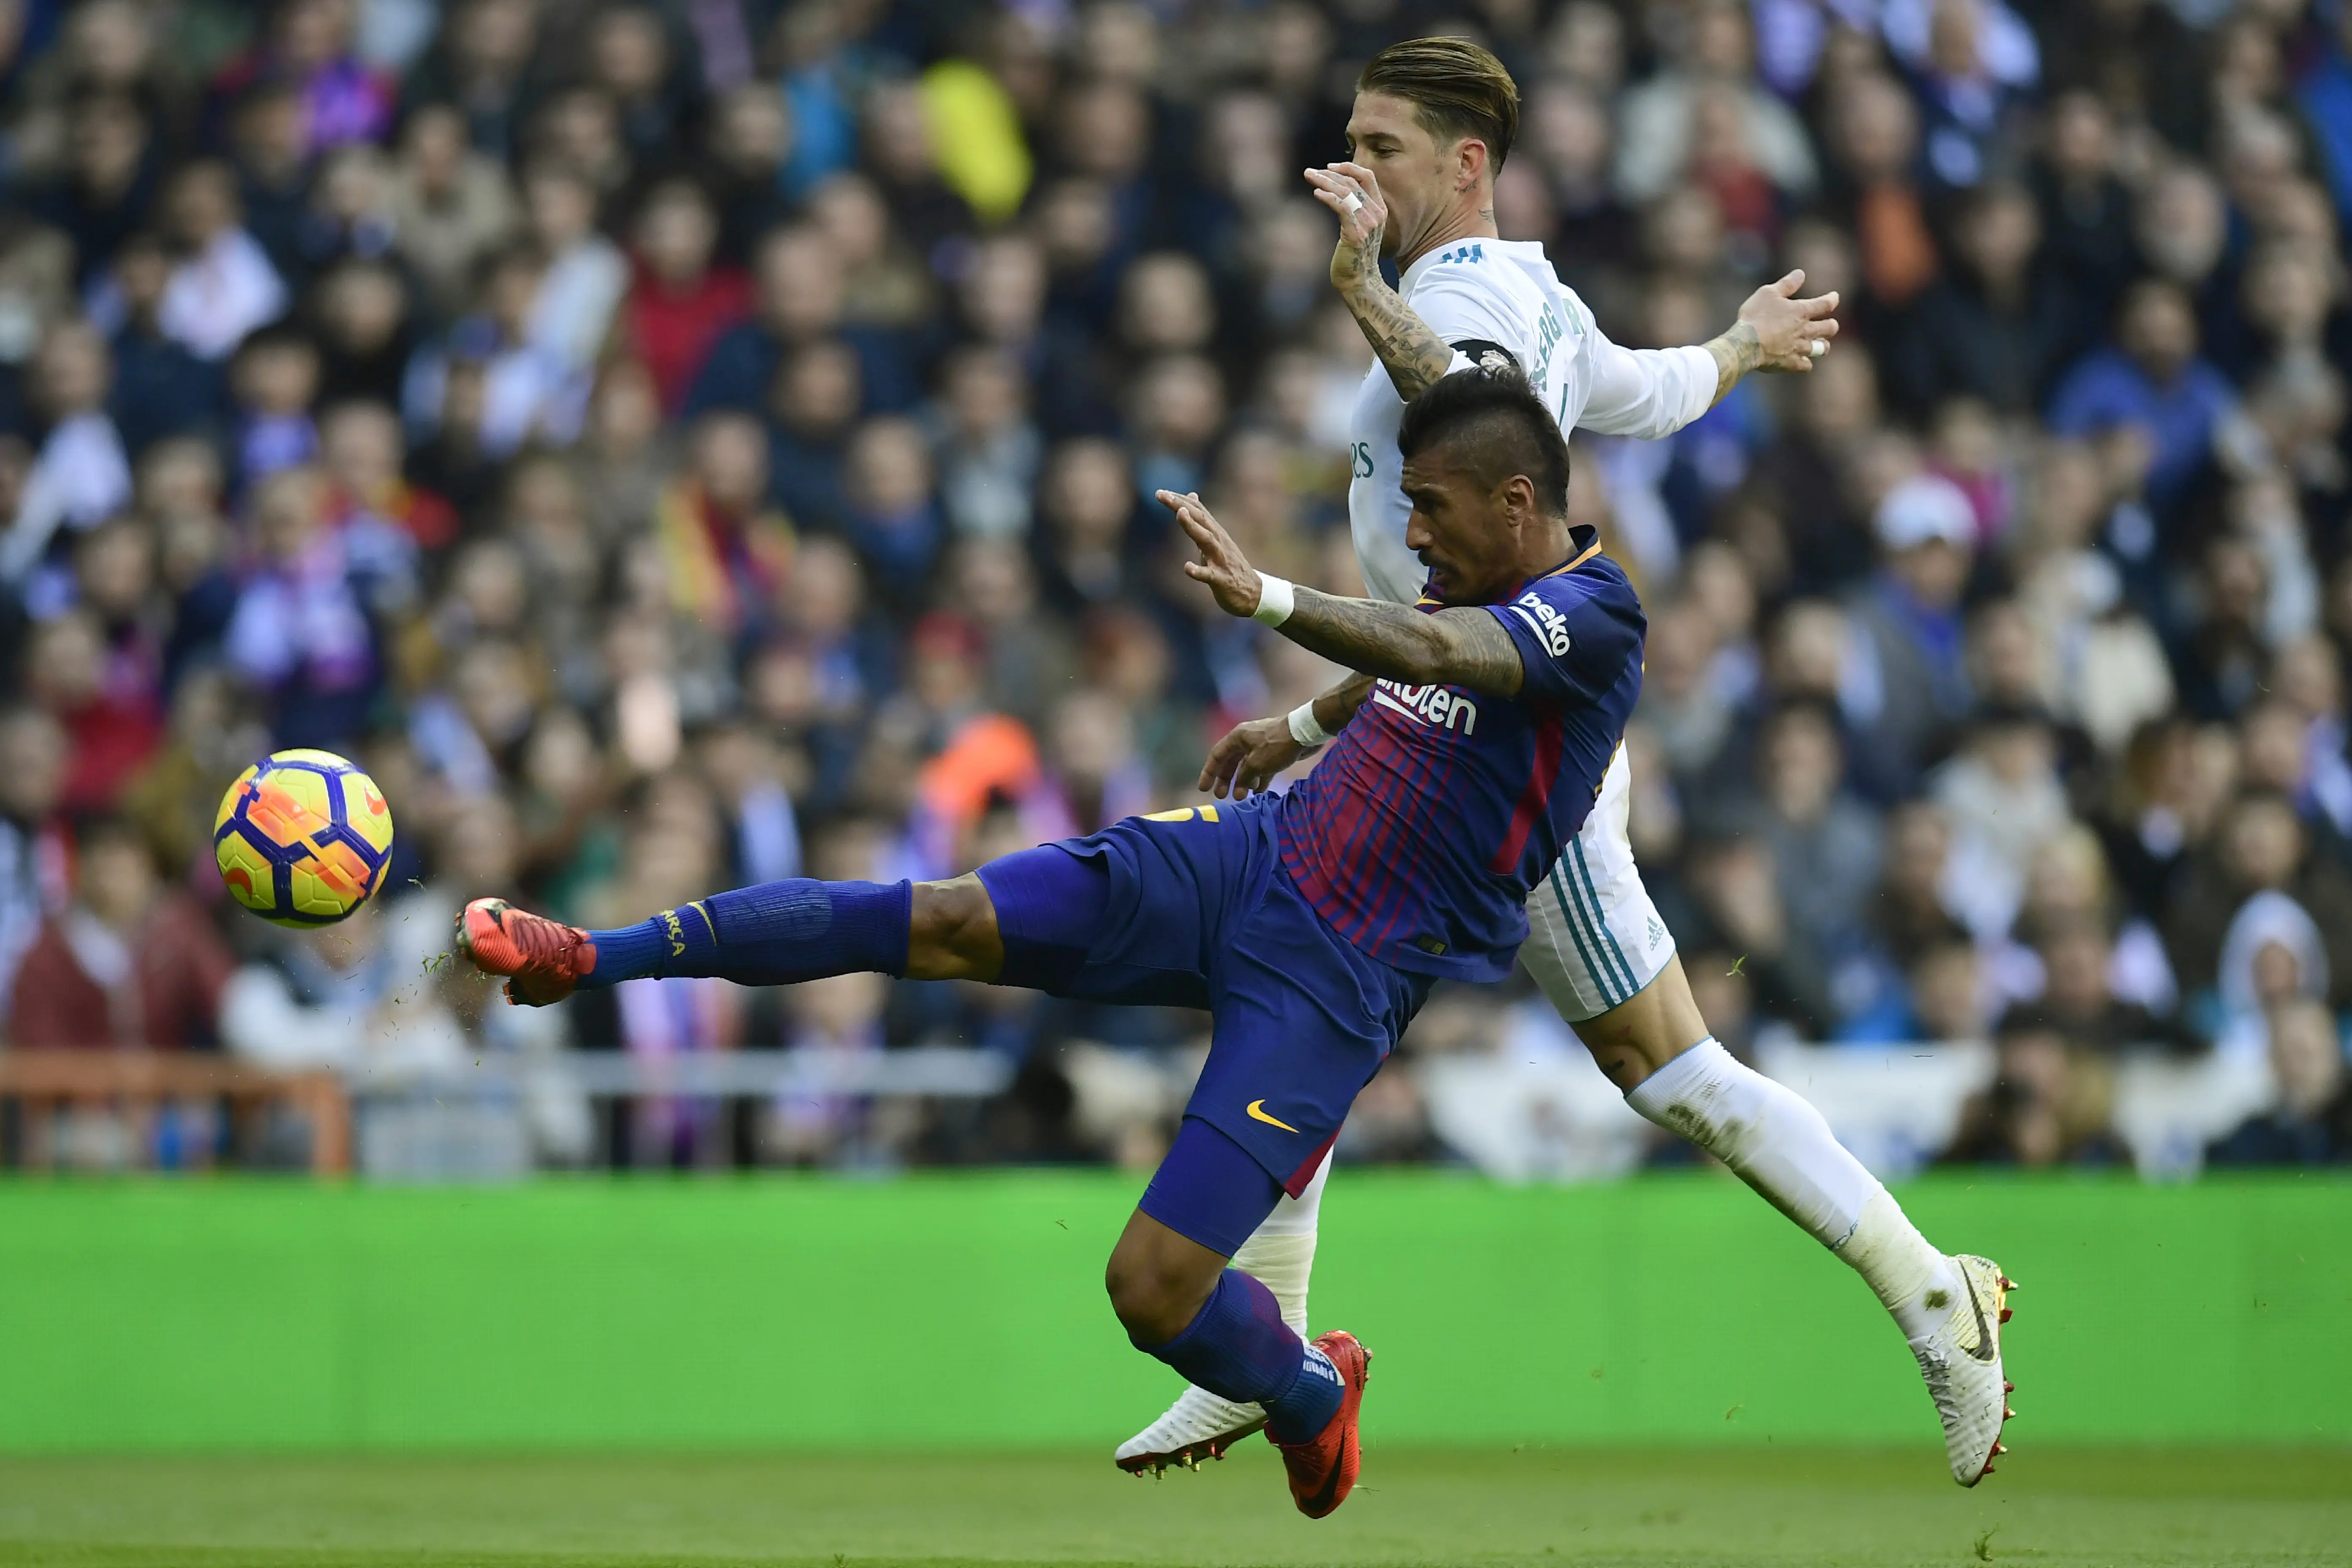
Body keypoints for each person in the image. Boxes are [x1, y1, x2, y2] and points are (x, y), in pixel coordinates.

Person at [462, 371, 1965, 1518]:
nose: (1417, 539)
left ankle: (1310, 1387)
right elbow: (1419, 674)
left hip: (1336, 979)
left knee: (1150, 1292)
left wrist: (1278, 602)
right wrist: (1302, 717)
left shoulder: (1598, 613)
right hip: (1249, 858)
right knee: (946, 916)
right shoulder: (1468, 572)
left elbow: (1450, 655)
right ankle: (590, 952)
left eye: (1436, 511)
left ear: (1519, 502)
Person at [1118, 36, 2011, 1491]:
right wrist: (1739, 347)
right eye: (1351, 139)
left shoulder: (1459, 296)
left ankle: (1934, 1295)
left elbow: (1483, 414)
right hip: (1446, 717)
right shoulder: (1542, 291)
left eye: (1384, 149)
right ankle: (1264, 1345)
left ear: (1466, 165)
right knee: (1305, 960)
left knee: (1660, 1063)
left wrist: (1359, 292)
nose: (1352, 172)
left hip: (1517, 766)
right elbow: (1636, 398)